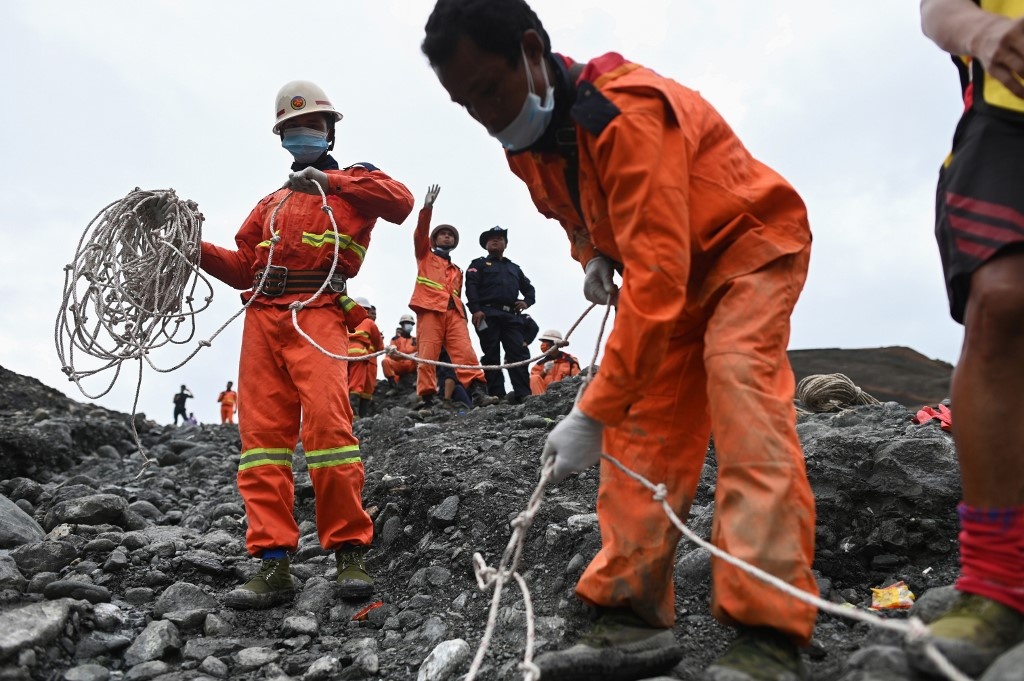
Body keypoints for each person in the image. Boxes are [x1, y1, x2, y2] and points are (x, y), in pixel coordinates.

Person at [422, 3, 818, 679]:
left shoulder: (627, 111)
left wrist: (590, 410)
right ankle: (630, 614)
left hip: (745, 248)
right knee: (646, 429)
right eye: (466, 104)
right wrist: (591, 257)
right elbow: (578, 214)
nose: (485, 115)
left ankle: (769, 630)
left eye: (490, 89)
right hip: (671, 274)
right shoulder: (529, 147)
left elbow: (659, 280)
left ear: (531, 51)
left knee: (740, 390)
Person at [197, 79, 414, 609]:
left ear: (330, 130)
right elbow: (245, 265)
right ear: (280, 139)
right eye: (292, 130)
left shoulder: (356, 182)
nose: (302, 136)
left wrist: (333, 180)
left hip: (316, 314)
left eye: (311, 127)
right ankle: (273, 566)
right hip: (262, 318)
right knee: (262, 445)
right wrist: (192, 245)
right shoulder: (269, 203)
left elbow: (401, 202)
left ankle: (349, 555)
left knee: (329, 432)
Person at [909, 2, 1024, 676]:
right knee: (1003, 299)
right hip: (1009, 107)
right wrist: (985, 34)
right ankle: (998, 582)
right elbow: (940, 5)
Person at [407, 183, 499, 409]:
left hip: (454, 313)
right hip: (430, 309)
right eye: (443, 235)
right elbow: (420, 234)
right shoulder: (425, 256)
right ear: (434, 240)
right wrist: (427, 209)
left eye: (450, 236)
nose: (447, 237)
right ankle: (427, 399)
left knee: (465, 351)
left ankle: (478, 391)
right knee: (427, 353)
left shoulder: (457, 269)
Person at [466, 225, 536, 403]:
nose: (496, 240)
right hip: (486, 314)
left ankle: (523, 394)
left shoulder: (514, 268)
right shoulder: (478, 264)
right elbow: (471, 287)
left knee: (517, 354)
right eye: (491, 239)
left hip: (511, 316)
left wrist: (526, 302)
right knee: (491, 354)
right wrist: (475, 310)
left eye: (500, 238)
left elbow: (529, 290)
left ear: (505, 244)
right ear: (485, 245)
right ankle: (497, 395)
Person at [348, 297, 384, 419]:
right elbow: (379, 344)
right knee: (356, 383)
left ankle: (345, 412)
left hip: (343, 354)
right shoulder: (369, 322)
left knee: (345, 382)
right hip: (360, 354)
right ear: (367, 310)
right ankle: (355, 413)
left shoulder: (346, 319)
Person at [529, 329, 580, 395]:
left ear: (555, 344)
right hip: (543, 396)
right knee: (534, 378)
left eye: (546, 342)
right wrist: (544, 371)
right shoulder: (540, 364)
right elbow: (534, 382)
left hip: (563, 395)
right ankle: (539, 403)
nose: (543, 345)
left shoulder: (570, 360)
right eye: (543, 341)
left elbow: (577, 378)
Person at [382, 314, 418, 386]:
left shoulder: (416, 340)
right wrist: (407, 356)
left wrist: (414, 356)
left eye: (411, 323)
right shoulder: (395, 339)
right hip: (399, 365)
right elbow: (392, 354)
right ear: (402, 325)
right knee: (385, 361)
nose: (409, 325)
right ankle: (392, 385)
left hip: (411, 366)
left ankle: (417, 381)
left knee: (421, 358)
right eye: (407, 323)